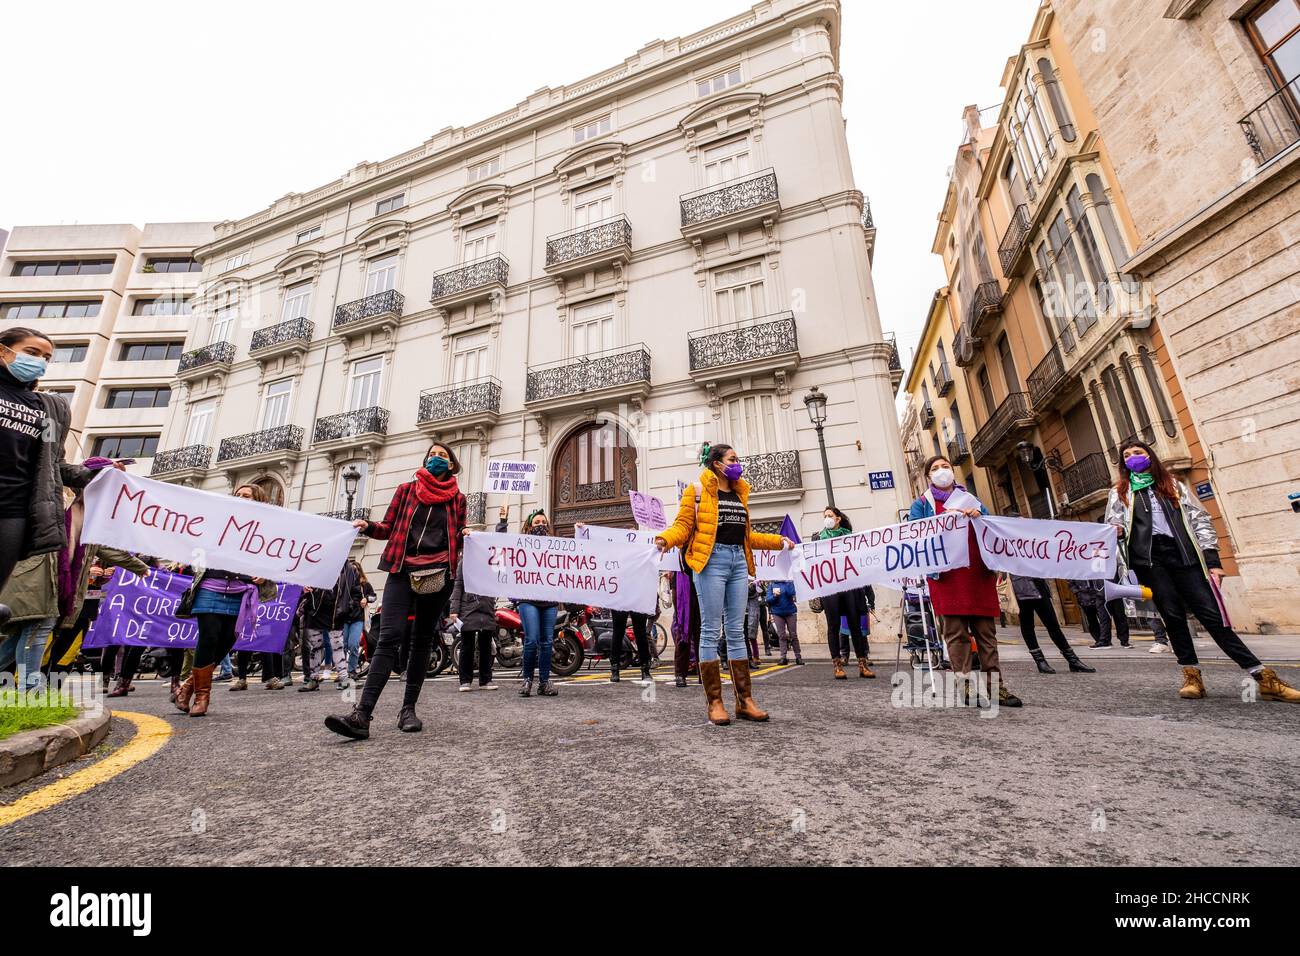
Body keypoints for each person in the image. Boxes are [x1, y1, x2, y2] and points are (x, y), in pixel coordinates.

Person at [1105, 441, 1298, 702]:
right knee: (1172, 617)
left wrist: (1212, 560)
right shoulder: (1120, 492)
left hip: (1184, 557)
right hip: (1149, 561)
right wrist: (1116, 531)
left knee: (1213, 617)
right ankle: (1192, 676)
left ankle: (1263, 677)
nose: (1133, 458)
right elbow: (1113, 525)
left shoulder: (1173, 485)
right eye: (1127, 456)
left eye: (1137, 453)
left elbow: (1200, 520)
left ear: (1150, 456)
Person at [325, 443, 467, 739]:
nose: (435, 458)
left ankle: (408, 710)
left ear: (452, 466)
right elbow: (389, 527)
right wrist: (368, 526)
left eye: (443, 456)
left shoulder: (458, 500)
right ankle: (361, 715)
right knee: (389, 637)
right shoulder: (406, 490)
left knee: (422, 640)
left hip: (439, 574)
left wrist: (467, 535)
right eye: (432, 454)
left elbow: (459, 535)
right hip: (401, 571)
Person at [656, 443, 794, 726]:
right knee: (709, 629)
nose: (737, 463)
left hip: (738, 562)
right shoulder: (696, 491)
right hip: (711, 561)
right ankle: (715, 703)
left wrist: (778, 541)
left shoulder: (739, 493)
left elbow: (748, 535)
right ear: (717, 463)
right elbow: (683, 526)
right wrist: (664, 539)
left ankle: (745, 702)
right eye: (733, 459)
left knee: (737, 631)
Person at [0, 328, 108, 628]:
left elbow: (54, 465)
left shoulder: (49, 409)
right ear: (3, 351)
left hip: (13, 512)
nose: (40, 362)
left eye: (46, 357)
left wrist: (93, 475)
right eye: (32, 353)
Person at [908, 456, 1022, 707]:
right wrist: (942, 521)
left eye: (945, 466)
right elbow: (914, 535)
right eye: (935, 469)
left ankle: (997, 688)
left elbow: (992, 528)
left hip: (977, 573)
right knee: (956, 634)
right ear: (928, 477)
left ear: (953, 471)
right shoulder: (922, 505)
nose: (941, 471)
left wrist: (978, 516)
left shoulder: (972, 500)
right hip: (946, 578)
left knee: (986, 634)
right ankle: (967, 687)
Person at [172, 483, 278, 717]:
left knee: (227, 642)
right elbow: (195, 548)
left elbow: (273, 557)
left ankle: (188, 686)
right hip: (211, 586)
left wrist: (264, 573)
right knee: (209, 637)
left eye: (247, 496)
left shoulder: (264, 531)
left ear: (258, 501)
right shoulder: (216, 522)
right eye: (238, 494)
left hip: (240, 591)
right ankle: (202, 697)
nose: (241, 498)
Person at [815, 507, 874, 680]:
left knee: (855, 625)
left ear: (838, 519)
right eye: (825, 516)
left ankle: (862, 664)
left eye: (830, 516)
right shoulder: (818, 539)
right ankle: (838, 665)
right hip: (829, 588)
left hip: (849, 586)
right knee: (833, 626)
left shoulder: (850, 537)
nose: (827, 518)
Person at [511, 509, 561, 698]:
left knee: (547, 642)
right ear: (529, 526)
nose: (540, 525)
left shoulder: (555, 546)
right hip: (528, 599)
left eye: (543, 522)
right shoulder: (521, 545)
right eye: (537, 522)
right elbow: (502, 547)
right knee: (531, 640)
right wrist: (501, 522)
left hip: (549, 601)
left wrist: (580, 533)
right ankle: (527, 680)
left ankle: (544, 682)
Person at [1007, 574, 1094, 674]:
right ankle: (1040, 661)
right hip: (1019, 590)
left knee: (1053, 625)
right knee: (1028, 626)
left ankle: (1073, 660)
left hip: (1039, 587)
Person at [449, 548, 497, 692]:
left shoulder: (491, 563)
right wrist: (454, 610)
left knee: (486, 646)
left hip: (486, 607)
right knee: (467, 645)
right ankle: (465, 681)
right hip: (468, 608)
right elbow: (458, 585)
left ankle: (486, 680)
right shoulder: (464, 563)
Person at [764, 578, 802, 666]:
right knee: (781, 635)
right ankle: (783, 657)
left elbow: (792, 593)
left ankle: (798, 657)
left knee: (793, 635)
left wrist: (788, 582)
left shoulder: (789, 582)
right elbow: (768, 599)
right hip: (777, 613)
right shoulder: (772, 585)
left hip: (790, 612)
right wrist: (774, 596)